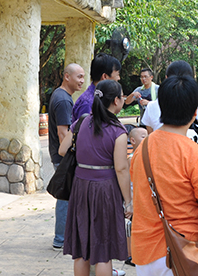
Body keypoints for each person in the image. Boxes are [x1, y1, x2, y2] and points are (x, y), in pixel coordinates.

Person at [130, 75, 198, 275]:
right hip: (183, 252)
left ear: (161, 107)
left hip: (144, 252)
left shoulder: (142, 148)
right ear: (195, 112)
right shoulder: (195, 154)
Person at [59, 80, 132, 276]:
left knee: (81, 250)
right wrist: (128, 201)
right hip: (105, 190)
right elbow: (121, 169)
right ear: (116, 100)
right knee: (103, 251)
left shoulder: (81, 122)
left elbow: (63, 149)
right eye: (122, 96)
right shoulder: (118, 131)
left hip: (80, 186)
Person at [140, 61, 198, 150]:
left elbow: (151, 138)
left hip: (161, 153)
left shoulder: (151, 105)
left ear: (167, 78)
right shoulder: (196, 102)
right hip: (190, 152)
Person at [49, 63, 86, 251]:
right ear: (67, 76)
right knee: (65, 196)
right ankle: (61, 239)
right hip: (63, 157)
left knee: (67, 195)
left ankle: (64, 237)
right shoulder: (63, 100)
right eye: (79, 76)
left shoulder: (61, 96)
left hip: (60, 155)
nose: (82, 81)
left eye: (83, 77)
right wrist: (74, 157)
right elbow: (63, 134)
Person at [73, 54, 139, 120]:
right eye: (117, 74)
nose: (119, 78)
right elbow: (86, 126)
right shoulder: (88, 103)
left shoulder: (101, 97)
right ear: (104, 76)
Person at [124, 125, 147, 268]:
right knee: (131, 226)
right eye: (143, 136)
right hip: (134, 197)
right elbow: (128, 181)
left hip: (142, 197)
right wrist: (130, 200)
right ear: (132, 140)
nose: (147, 138)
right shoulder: (131, 158)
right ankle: (130, 254)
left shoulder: (147, 155)